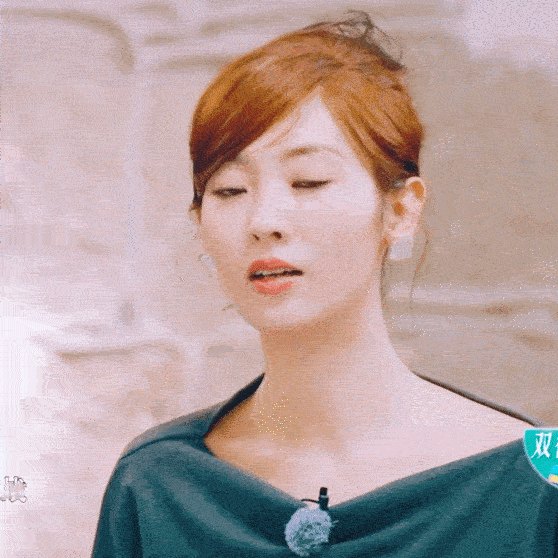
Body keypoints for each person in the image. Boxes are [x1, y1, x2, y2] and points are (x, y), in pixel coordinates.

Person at [91, 11, 558, 557]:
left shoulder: (533, 478)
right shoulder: (157, 484)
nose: (264, 220)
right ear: (200, 223)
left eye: (308, 181)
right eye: (229, 190)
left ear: (401, 210)